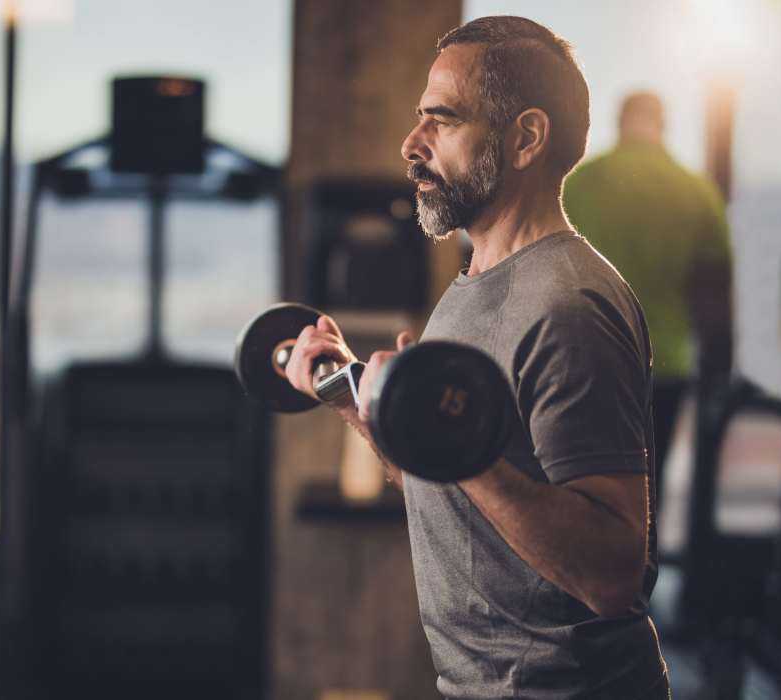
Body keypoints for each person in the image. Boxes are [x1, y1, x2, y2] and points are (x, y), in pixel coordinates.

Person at [284, 16, 669, 699]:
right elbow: (449, 486)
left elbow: (614, 576)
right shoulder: (469, 289)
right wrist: (351, 398)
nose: (411, 145)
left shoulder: (570, 306)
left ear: (525, 138)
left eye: (443, 121)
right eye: (418, 120)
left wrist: (456, 445)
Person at [563, 91, 733, 495]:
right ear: (663, 125)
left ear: (620, 123)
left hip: (582, 364)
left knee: (575, 493)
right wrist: (718, 387)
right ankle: (640, 558)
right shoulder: (698, 192)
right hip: (663, 369)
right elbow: (714, 304)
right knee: (645, 495)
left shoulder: (577, 185)